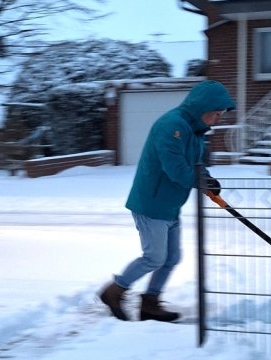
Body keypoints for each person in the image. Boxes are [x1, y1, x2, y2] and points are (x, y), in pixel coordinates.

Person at [99, 80, 235, 322]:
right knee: (154, 258)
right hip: (152, 204)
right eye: (216, 113)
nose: (218, 119)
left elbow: (193, 166)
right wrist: (200, 181)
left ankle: (150, 303)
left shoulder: (194, 131)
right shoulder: (172, 126)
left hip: (170, 205)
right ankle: (114, 291)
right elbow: (176, 169)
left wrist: (206, 179)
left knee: (171, 258)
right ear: (203, 107)